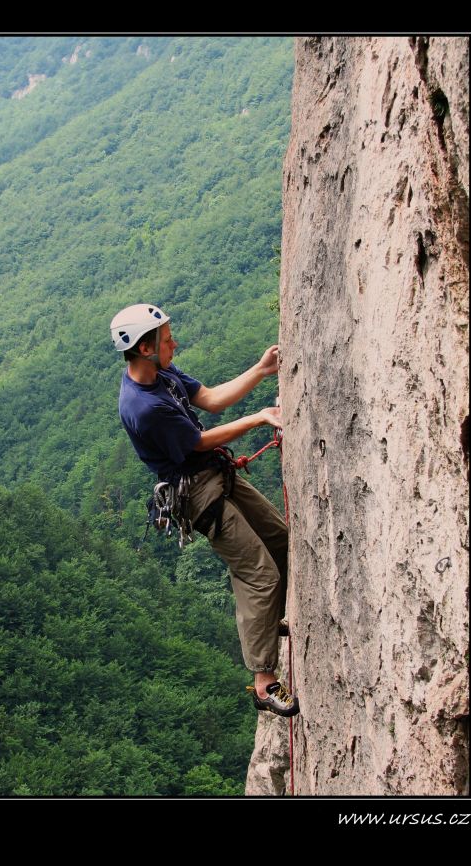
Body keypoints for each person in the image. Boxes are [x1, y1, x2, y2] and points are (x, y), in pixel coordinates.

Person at [111, 303, 299, 717]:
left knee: (280, 540)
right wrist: (259, 418)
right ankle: (264, 682)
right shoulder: (145, 407)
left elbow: (210, 400)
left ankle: (268, 621)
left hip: (216, 474)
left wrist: (260, 370)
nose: (174, 343)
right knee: (259, 573)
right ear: (145, 347)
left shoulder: (160, 375)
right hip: (196, 494)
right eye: (167, 339)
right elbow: (197, 441)